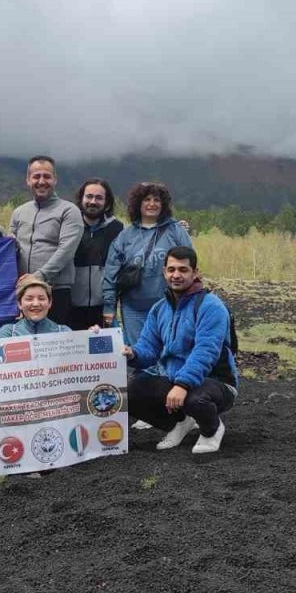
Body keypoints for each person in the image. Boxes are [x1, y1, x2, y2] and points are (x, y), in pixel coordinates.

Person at [121, 246, 238, 455]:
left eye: (183, 270)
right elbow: (148, 347)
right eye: (171, 269)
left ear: (195, 273)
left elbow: (206, 351)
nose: (176, 275)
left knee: (196, 399)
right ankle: (180, 423)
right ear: (164, 272)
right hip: (176, 380)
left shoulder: (211, 306)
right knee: (130, 392)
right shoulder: (159, 309)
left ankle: (211, 429)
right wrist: (133, 354)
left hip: (217, 382)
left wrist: (183, 385)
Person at [102, 181, 192, 348]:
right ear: (138, 204)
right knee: (140, 354)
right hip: (133, 309)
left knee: (169, 353)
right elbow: (111, 273)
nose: (152, 204)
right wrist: (109, 306)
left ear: (163, 204)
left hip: (169, 306)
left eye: (157, 200)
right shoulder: (125, 237)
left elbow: (190, 266)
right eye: (146, 199)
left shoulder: (176, 231)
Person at [9, 156, 83, 324]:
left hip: (56, 291)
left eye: (47, 176)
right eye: (36, 176)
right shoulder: (18, 212)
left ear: (55, 179)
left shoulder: (69, 211)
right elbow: (9, 249)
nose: (41, 181)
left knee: (54, 346)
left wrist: (38, 277)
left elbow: (66, 250)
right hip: (23, 294)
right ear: (28, 180)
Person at [69, 178, 124, 331]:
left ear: (107, 203)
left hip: (103, 308)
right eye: (89, 196)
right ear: (81, 199)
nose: (93, 202)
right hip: (70, 307)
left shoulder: (117, 229)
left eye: (99, 198)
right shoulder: (69, 226)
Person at [0, 275, 73, 338]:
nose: (36, 304)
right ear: (19, 304)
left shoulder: (64, 332)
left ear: (50, 303)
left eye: (41, 298)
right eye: (29, 299)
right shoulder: (8, 333)